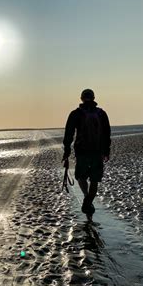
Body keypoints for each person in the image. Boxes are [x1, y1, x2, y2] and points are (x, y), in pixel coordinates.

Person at [62, 89, 111, 218]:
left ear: (81, 98)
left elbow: (69, 133)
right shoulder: (101, 114)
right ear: (94, 98)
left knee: (81, 177)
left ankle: (86, 197)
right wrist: (107, 150)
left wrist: (67, 150)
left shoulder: (75, 114)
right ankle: (88, 201)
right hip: (97, 151)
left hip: (82, 151)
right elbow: (107, 134)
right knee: (94, 180)